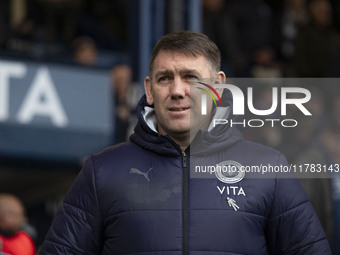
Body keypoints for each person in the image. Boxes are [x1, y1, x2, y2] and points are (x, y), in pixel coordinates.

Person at [40, 31, 331, 254]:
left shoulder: (269, 169)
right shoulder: (102, 171)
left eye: (191, 77)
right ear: (149, 89)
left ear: (217, 86)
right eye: (165, 78)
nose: (177, 91)